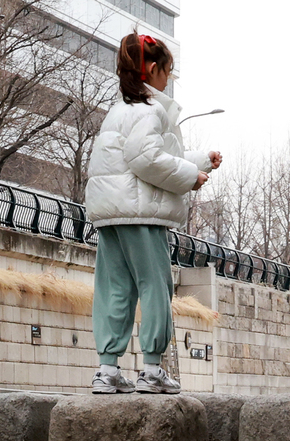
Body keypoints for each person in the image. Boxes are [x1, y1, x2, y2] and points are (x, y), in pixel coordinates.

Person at [84, 32, 220, 394]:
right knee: (155, 286)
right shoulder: (151, 110)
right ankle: (152, 369)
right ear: (155, 69)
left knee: (114, 288)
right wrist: (191, 177)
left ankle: (107, 370)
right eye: (167, 72)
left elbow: (140, 156)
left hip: (111, 212)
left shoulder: (118, 110)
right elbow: (146, 158)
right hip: (141, 213)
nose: (168, 79)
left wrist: (201, 161)